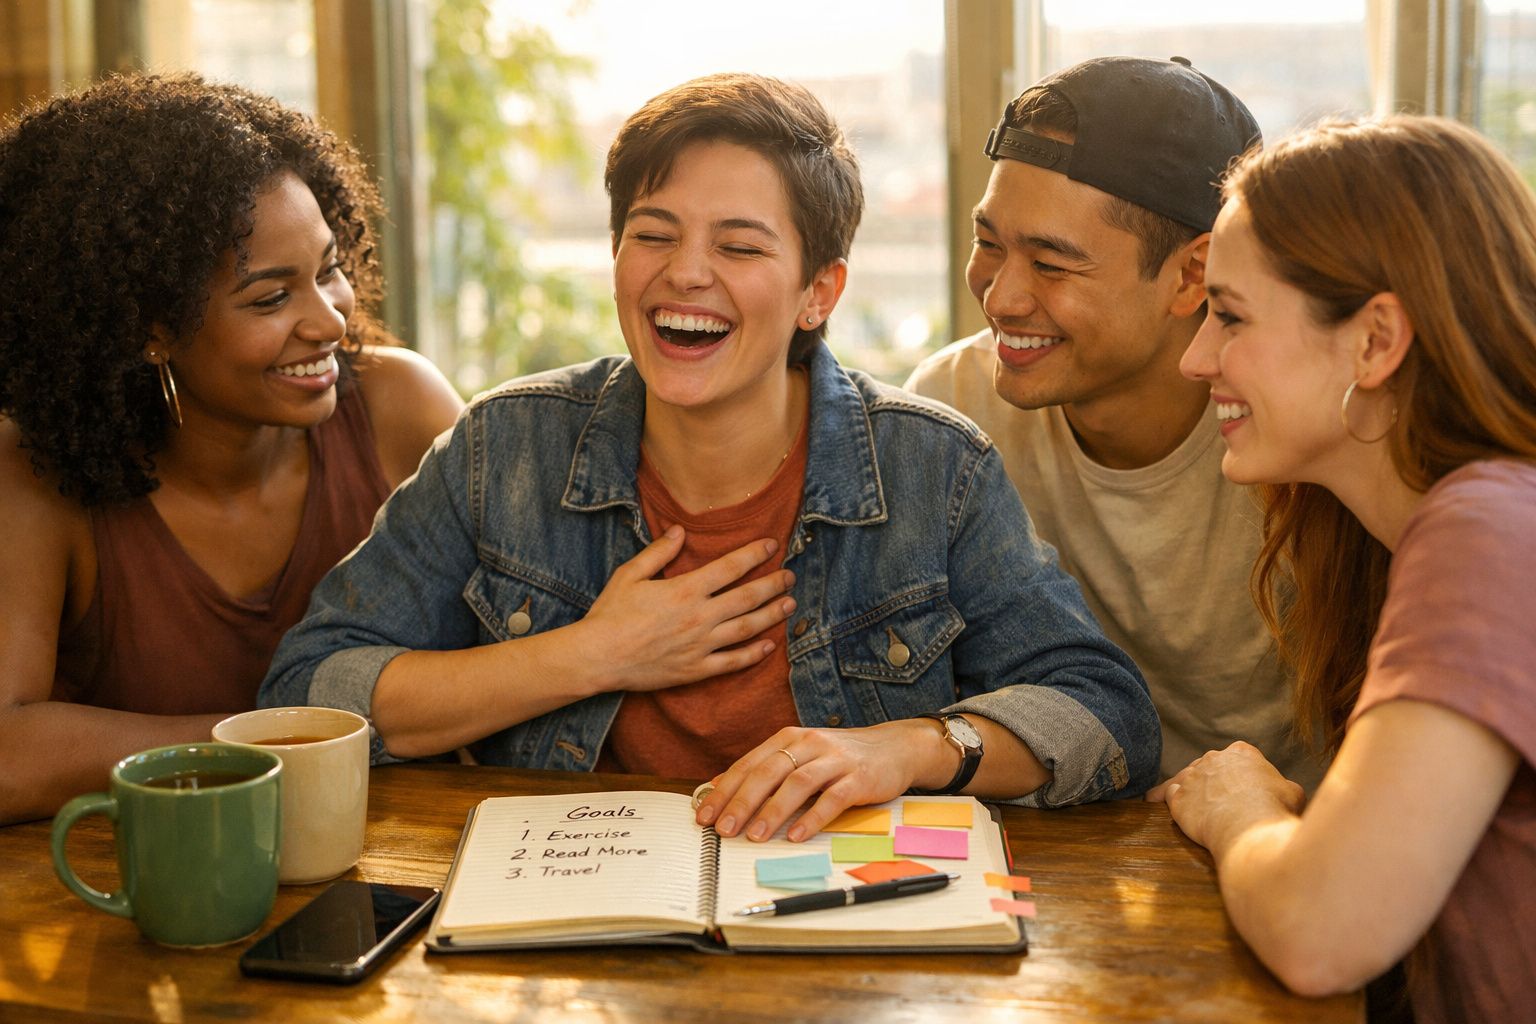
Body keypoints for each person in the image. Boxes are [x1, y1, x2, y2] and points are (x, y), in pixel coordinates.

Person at [261, 72, 1159, 843]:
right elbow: (310, 691)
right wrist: (591, 655)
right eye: (653, 234)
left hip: (845, 925)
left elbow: (1104, 714)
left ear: (819, 291)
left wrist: (907, 749)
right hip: (574, 921)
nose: (686, 272)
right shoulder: (505, 447)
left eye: (738, 246)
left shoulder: (934, 468)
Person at [1151, 116, 1536, 1021]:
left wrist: (1234, 807)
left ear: (1375, 341)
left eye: (1231, 316)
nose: (1195, 358)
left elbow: (1322, 932)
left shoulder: (1489, 530)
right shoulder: (1427, 526)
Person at [0, 73, 463, 825]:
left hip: (401, 864)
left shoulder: (398, 409)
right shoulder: (33, 475)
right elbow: (6, 752)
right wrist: (284, 738)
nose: (331, 324)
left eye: (330, 269)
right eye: (271, 298)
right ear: (149, 328)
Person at [905, 57, 1324, 789]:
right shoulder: (952, 407)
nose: (1000, 298)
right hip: (1055, 843)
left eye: (1052, 264)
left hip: (1284, 849)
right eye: (990, 243)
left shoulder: (1295, 431)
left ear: (1192, 276)